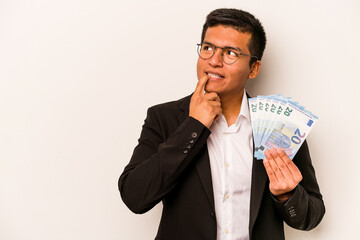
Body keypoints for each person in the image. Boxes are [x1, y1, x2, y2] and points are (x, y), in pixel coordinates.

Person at [118, 8, 325, 240]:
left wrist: (287, 195)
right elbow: (134, 197)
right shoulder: (165, 118)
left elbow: (312, 215)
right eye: (207, 48)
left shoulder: (281, 125)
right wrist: (193, 126)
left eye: (230, 53)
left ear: (254, 68)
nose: (214, 61)